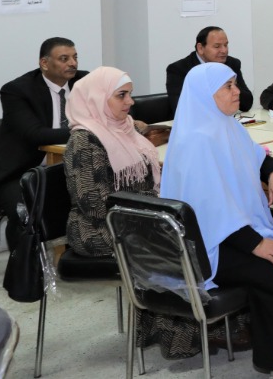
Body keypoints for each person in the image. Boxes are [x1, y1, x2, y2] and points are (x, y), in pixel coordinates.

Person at [162, 63, 273, 379]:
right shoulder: (195, 142)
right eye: (228, 86)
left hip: (234, 231)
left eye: (235, 84)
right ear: (206, 95)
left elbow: (259, 156)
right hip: (212, 246)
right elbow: (209, 213)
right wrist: (256, 244)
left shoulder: (226, 125)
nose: (238, 91)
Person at [62, 67, 211, 359]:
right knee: (172, 242)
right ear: (97, 98)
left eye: (130, 94)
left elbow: (145, 178)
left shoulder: (125, 128)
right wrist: (154, 209)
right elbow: (94, 204)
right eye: (122, 95)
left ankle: (210, 325)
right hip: (98, 228)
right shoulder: (84, 141)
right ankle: (176, 337)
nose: (130, 101)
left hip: (132, 216)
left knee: (197, 227)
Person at [0, 37, 87, 248]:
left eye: (75, 57)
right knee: (25, 213)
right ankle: (25, 266)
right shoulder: (17, 91)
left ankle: (79, 256)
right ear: (44, 63)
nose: (72, 63)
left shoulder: (84, 82)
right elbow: (35, 134)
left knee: (97, 197)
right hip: (20, 172)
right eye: (64, 59)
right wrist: (86, 129)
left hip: (70, 168)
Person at [166, 26, 254, 114]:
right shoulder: (179, 69)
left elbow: (247, 104)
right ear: (200, 48)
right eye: (217, 46)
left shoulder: (231, 64)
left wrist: (228, 81)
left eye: (225, 45)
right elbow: (181, 109)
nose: (224, 50)